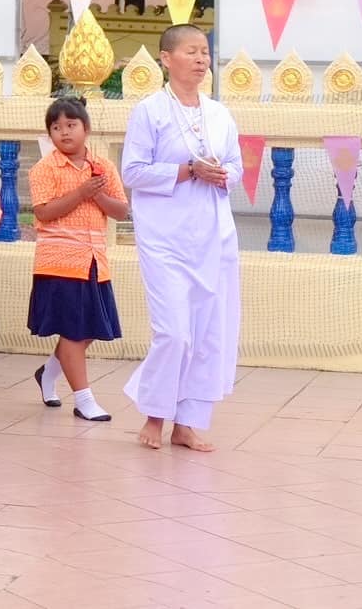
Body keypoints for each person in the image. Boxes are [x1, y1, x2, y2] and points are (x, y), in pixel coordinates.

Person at [122, 24, 242, 452]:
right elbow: (133, 172)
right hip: (164, 238)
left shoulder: (219, 114)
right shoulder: (149, 111)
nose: (201, 59)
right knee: (175, 332)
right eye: (191, 51)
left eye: (204, 52)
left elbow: (236, 166)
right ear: (166, 58)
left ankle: (187, 423)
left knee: (207, 333)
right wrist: (188, 170)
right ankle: (155, 415)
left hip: (213, 237)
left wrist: (222, 173)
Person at [28, 96, 129, 422]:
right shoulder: (44, 168)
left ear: (86, 128)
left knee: (88, 331)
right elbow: (44, 212)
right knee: (73, 332)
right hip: (59, 262)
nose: (64, 132)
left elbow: (121, 211)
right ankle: (84, 400)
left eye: (71, 125)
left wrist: (97, 194)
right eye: (56, 127)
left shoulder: (103, 167)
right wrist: (81, 193)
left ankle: (48, 373)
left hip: (94, 262)